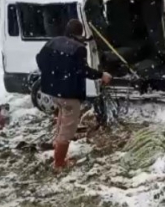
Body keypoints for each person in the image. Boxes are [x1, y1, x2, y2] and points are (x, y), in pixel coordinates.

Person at [36, 19, 112, 171]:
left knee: (61, 118)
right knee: (68, 129)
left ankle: (57, 148)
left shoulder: (53, 42)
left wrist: (53, 75)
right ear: (80, 33)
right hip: (69, 94)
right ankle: (59, 164)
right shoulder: (78, 49)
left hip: (53, 91)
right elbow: (82, 70)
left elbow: (39, 59)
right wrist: (101, 75)